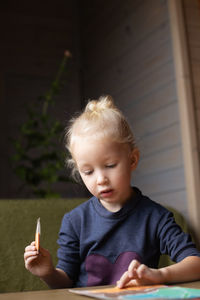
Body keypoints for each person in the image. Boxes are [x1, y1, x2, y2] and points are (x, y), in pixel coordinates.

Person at [24, 95, 200, 289]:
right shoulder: (74, 222)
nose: (100, 180)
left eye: (110, 165)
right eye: (88, 172)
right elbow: (65, 282)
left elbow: (195, 263)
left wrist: (159, 275)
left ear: (132, 160)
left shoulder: (156, 217)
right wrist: (48, 272)